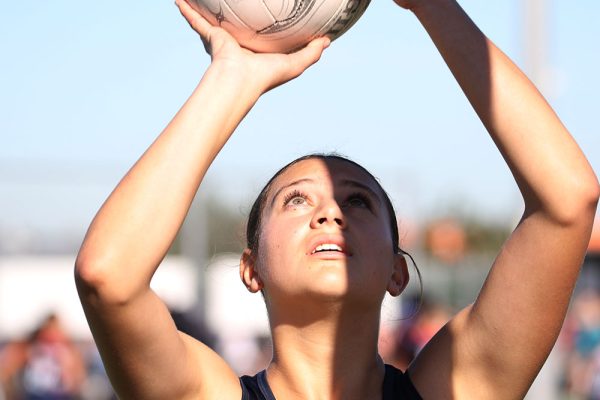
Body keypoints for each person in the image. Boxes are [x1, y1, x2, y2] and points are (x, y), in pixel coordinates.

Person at [74, 0, 599, 398]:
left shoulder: (452, 387)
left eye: (359, 203)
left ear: (398, 271)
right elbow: (108, 278)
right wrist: (231, 79)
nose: (331, 213)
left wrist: (432, 6)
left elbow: (567, 201)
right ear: (251, 267)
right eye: (297, 201)